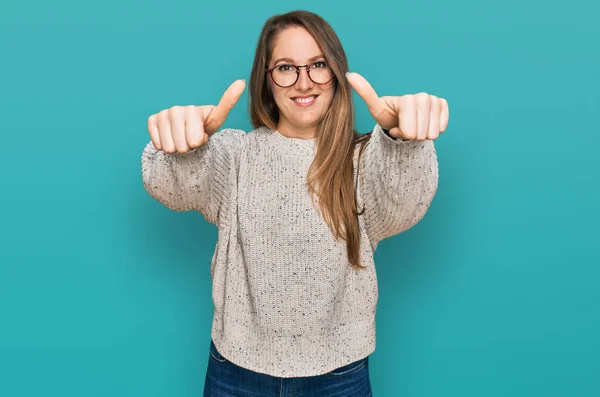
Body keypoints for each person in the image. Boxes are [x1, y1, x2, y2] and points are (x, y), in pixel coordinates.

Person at [141, 9, 449, 397]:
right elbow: (173, 184)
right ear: (266, 80)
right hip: (236, 373)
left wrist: (405, 144)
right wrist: (180, 147)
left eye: (318, 64)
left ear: (336, 73)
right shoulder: (236, 155)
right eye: (286, 67)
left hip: (340, 376)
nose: (304, 82)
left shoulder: (364, 159)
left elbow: (404, 200)